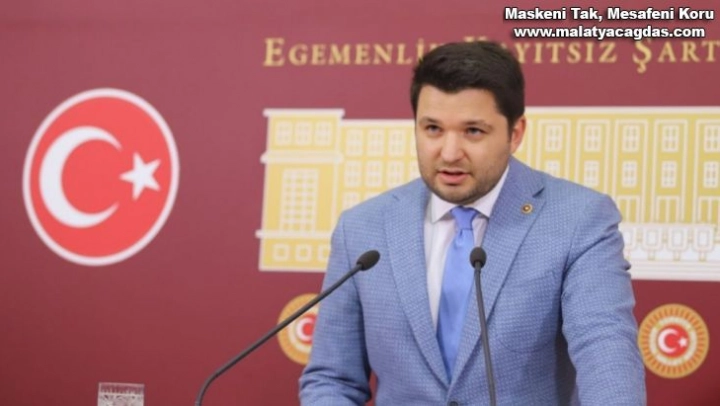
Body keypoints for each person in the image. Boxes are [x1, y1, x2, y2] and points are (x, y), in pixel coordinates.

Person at [299, 41, 646, 405]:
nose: (449, 153)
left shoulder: (578, 220)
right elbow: (332, 380)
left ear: (515, 134)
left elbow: (606, 353)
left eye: (473, 131)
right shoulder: (362, 229)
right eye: (433, 128)